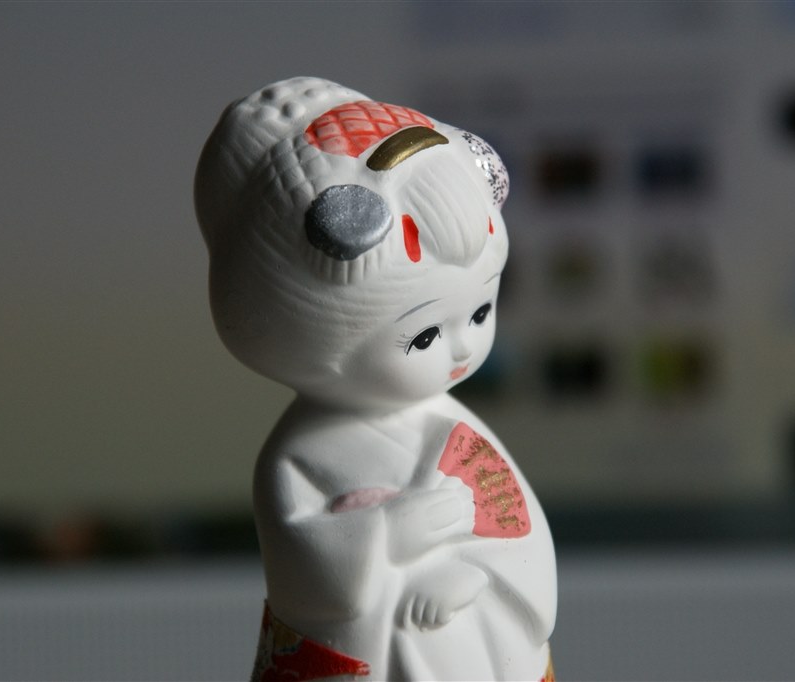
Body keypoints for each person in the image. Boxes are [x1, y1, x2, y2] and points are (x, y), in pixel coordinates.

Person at [195, 77, 556, 681]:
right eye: (424, 336)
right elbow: (306, 575)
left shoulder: (454, 427)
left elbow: (519, 534)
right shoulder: (298, 456)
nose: (463, 348)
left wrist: (471, 574)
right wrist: (387, 533)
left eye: (480, 313)